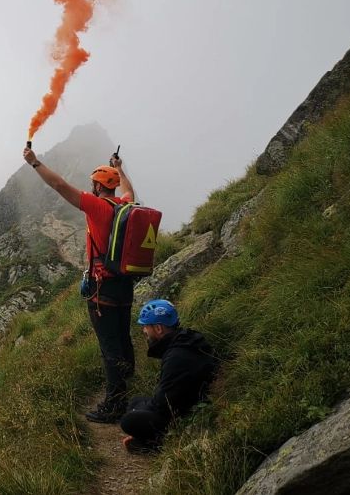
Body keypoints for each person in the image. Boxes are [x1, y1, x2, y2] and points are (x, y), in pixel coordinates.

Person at [23, 145, 137, 422]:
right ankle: (127, 381)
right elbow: (129, 191)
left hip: (103, 288)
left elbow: (59, 185)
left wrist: (35, 163)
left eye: (93, 184)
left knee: (108, 346)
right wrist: (120, 168)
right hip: (125, 284)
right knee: (122, 337)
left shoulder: (97, 207)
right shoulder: (125, 206)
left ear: (98, 187)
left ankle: (114, 405)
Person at [120, 299, 218, 454]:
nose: (144, 330)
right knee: (135, 401)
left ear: (158, 328)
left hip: (183, 413)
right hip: (187, 402)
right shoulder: (184, 342)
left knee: (128, 420)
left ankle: (158, 443)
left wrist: (138, 413)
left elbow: (163, 403)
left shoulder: (176, 356)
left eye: (146, 326)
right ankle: (146, 438)